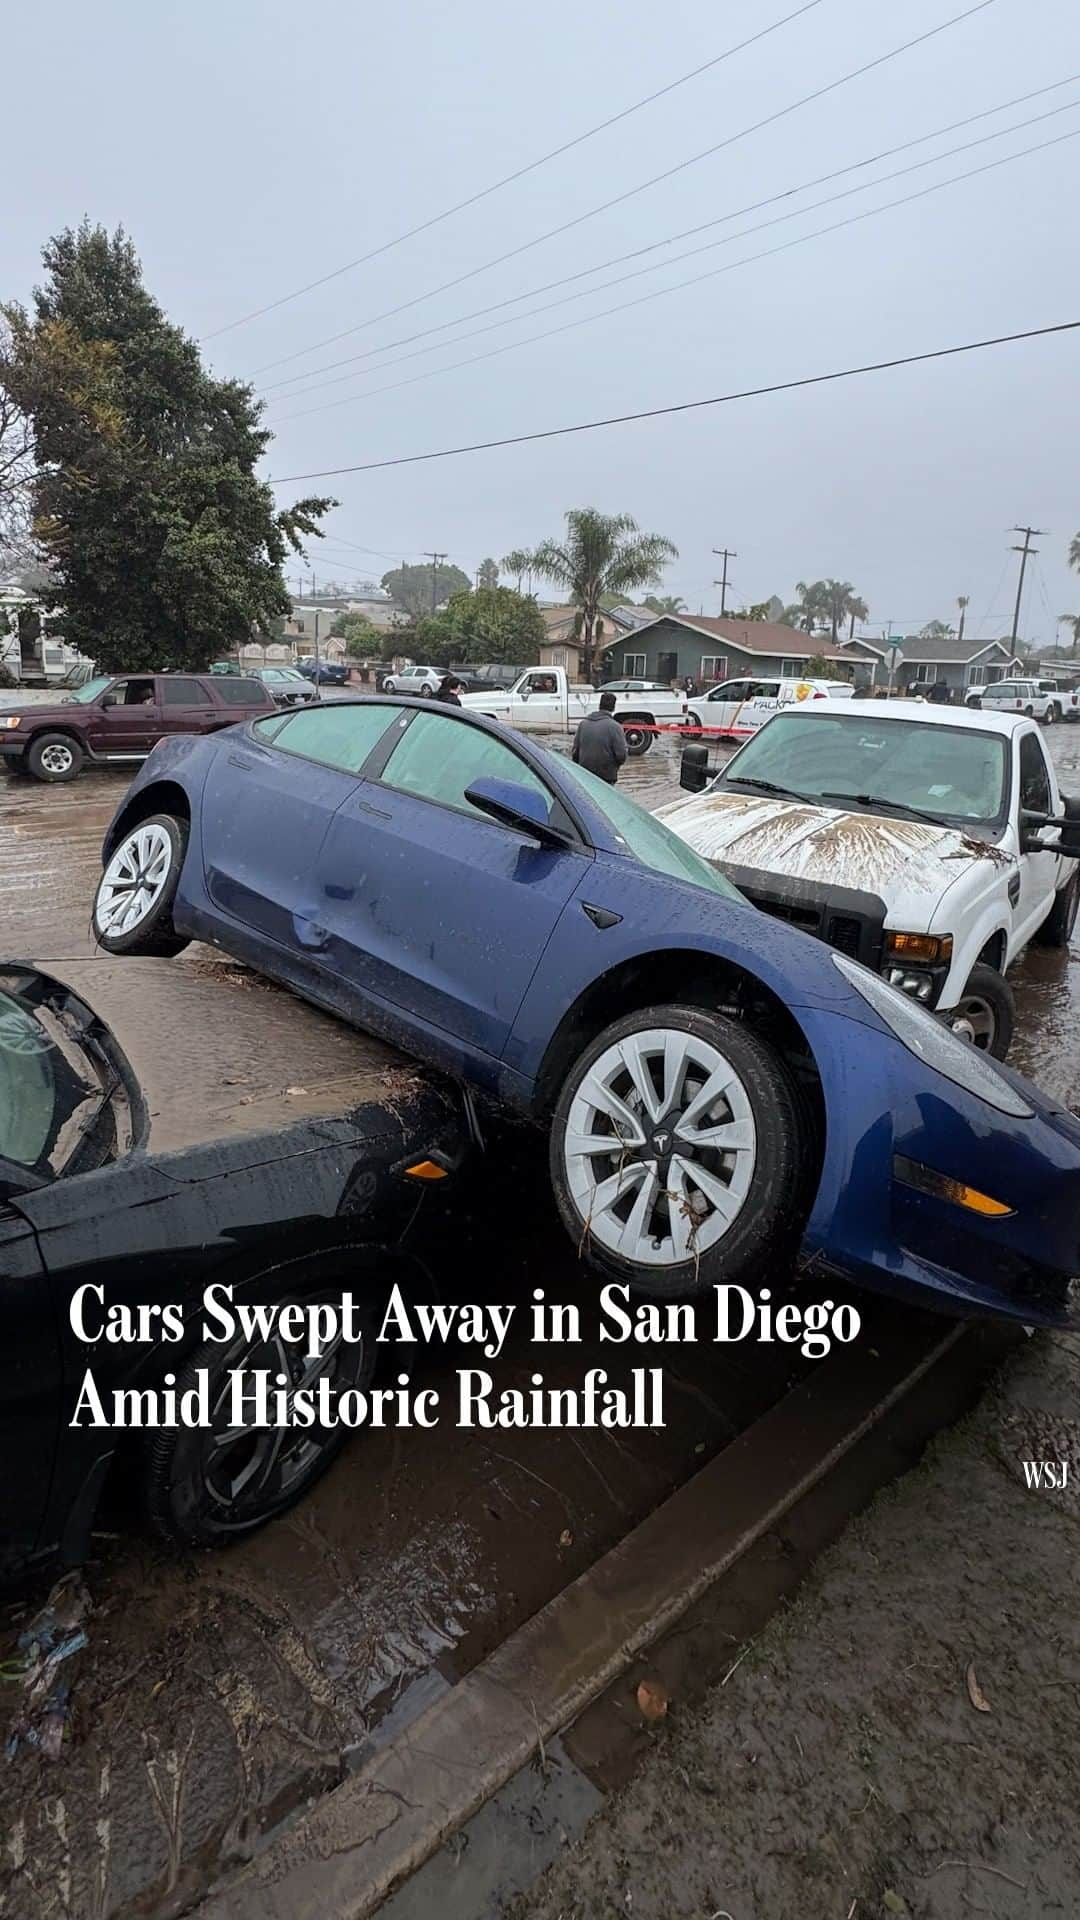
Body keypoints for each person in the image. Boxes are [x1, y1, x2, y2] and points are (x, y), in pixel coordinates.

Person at [572, 691, 629, 786]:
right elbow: (621, 755)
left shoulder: (583, 724)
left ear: (599, 705)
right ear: (614, 707)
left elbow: (575, 753)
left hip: (585, 775)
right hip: (607, 777)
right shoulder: (615, 727)